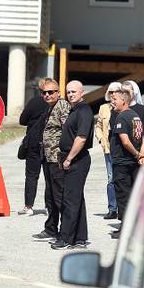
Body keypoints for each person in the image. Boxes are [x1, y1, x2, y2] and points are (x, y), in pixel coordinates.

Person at [52, 81, 94, 250]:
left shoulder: (84, 110)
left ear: (82, 92)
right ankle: (80, 238)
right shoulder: (74, 110)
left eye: (74, 92)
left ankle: (65, 238)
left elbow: (81, 138)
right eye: (68, 92)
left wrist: (68, 159)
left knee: (69, 200)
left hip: (77, 159)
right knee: (77, 199)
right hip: (71, 157)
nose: (70, 94)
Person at [32, 78, 70, 242]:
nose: (47, 95)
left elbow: (68, 131)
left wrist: (66, 156)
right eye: (44, 93)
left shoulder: (62, 106)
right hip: (48, 158)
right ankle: (51, 229)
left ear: (58, 92)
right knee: (50, 196)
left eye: (51, 92)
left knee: (59, 196)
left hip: (58, 159)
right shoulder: (49, 108)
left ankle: (64, 231)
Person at [110, 90, 144, 228]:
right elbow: (143, 139)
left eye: (115, 99)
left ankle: (125, 228)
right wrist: (141, 155)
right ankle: (134, 225)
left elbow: (125, 141)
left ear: (123, 101)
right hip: (134, 163)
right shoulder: (135, 116)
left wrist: (137, 155)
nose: (112, 102)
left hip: (123, 163)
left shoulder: (122, 117)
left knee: (123, 196)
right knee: (134, 195)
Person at [17, 81, 50, 216]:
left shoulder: (34, 102)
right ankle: (49, 206)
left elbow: (22, 120)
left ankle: (29, 206)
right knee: (50, 177)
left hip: (33, 143)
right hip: (50, 143)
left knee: (31, 176)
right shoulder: (57, 103)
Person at [95, 82, 122, 220]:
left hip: (122, 149)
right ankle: (112, 208)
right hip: (109, 149)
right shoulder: (104, 108)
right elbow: (98, 125)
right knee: (111, 179)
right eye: (111, 92)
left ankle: (123, 208)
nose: (113, 94)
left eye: (116, 91)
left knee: (122, 179)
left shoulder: (123, 108)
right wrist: (100, 139)